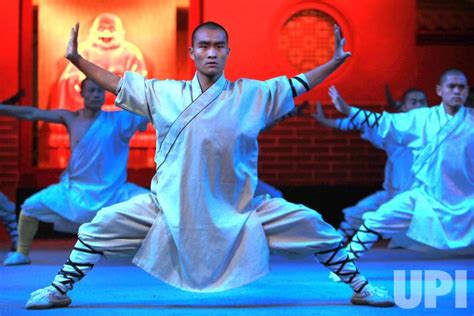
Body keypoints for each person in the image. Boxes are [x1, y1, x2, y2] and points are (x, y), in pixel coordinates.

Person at [26, 22, 394, 309]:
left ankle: (360, 288)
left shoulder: (252, 94)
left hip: (241, 210)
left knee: (315, 226)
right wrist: (76, 59)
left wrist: (334, 61)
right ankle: (60, 290)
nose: (212, 52)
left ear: (228, 52)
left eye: (219, 46)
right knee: (98, 228)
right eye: (204, 46)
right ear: (193, 52)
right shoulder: (164, 94)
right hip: (168, 208)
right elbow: (116, 82)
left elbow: (296, 85)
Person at [325, 69, 473, 262]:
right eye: (451, 86)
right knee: (377, 219)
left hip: (467, 201)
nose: (456, 91)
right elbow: (386, 121)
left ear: (467, 91)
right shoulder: (421, 118)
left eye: (461, 87)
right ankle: (344, 265)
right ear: (439, 90)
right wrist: (348, 110)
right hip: (425, 198)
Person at [1, 78, 149, 266]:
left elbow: (148, 111)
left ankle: (165, 257)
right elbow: (32, 113)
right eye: (92, 91)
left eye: (100, 91)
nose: (96, 95)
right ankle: (22, 253)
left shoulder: (118, 119)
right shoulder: (70, 118)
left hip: (114, 192)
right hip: (74, 191)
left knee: (156, 207)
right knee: (30, 207)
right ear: (82, 93)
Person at [313, 88, 428, 244]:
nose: (419, 106)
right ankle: (336, 244)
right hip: (394, 196)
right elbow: (365, 123)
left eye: (422, 102)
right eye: (413, 102)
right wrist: (327, 121)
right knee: (358, 212)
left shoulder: (436, 129)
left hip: (425, 199)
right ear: (404, 107)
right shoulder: (393, 128)